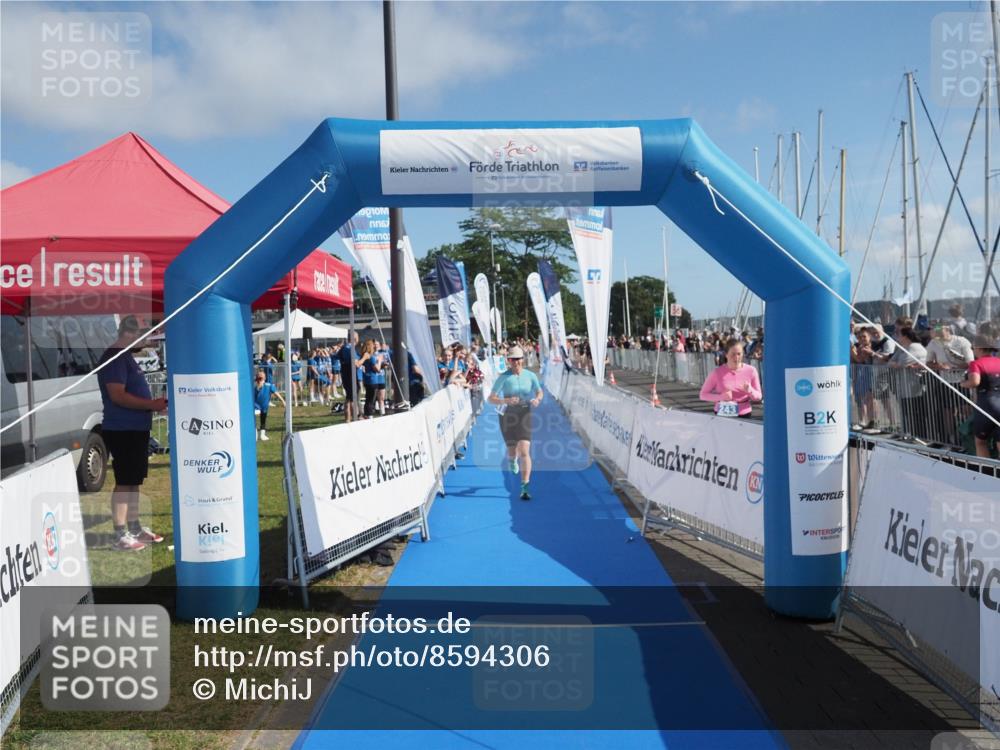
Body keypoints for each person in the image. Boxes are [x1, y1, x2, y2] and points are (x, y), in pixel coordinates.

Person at [96, 316, 168, 551]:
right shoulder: (114, 357)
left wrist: (152, 405)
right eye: (144, 334)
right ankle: (120, 534)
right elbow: (117, 395)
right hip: (122, 429)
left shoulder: (126, 356)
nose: (148, 338)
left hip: (135, 428)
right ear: (131, 333)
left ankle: (134, 528)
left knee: (134, 480)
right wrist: (151, 404)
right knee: (125, 481)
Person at [487, 346, 543, 501]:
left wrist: (537, 399)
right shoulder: (503, 377)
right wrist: (506, 400)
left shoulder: (530, 376)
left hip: (524, 413)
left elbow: (539, 391)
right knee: (512, 450)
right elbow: (490, 398)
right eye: (512, 359)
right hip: (507, 416)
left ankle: (525, 487)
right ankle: (512, 459)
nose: (515, 362)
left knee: (525, 450)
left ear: (522, 360)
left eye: (518, 359)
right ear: (508, 361)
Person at [698, 338, 762, 417]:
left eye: (739, 354)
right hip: (722, 414)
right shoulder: (717, 372)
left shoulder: (751, 370)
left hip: (744, 413)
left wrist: (750, 390)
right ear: (726, 354)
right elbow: (703, 395)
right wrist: (721, 397)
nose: (736, 357)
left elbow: (759, 397)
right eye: (733, 354)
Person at [959, 336, 1000, 458]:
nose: (973, 350)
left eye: (974, 347)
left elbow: (974, 382)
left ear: (980, 348)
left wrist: (962, 383)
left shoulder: (976, 363)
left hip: (987, 404)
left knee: (981, 441)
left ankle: (986, 472)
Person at [253, 368, 284, 440]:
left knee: (263, 419)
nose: (260, 378)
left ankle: (262, 434)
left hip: (264, 406)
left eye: (261, 377)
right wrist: (258, 384)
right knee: (253, 419)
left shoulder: (269, 385)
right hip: (255, 406)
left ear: (265, 378)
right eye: (259, 376)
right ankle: (255, 433)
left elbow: (276, 393)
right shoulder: (254, 386)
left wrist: (282, 400)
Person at [338, 332, 361, 422]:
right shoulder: (350, 348)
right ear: (355, 338)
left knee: (348, 398)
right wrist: (365, 358)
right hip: (350, 376)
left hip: (345, 375)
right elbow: (357, 364)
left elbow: (335, 357)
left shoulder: (343, 348)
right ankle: (355, 418)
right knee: (353, 399)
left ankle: (347, 419)